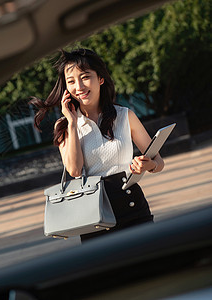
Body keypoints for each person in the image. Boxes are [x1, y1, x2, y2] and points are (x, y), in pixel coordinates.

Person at [30, 48, 164, 242]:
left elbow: (159, 161)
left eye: (85, 77)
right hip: (95, 214)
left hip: (133, 205)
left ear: (100, 78)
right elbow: (74, 170)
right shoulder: (65, 125)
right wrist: (73, 123)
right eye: (71, 81)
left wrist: (148, 165)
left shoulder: (125, 115)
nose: (79, 86)